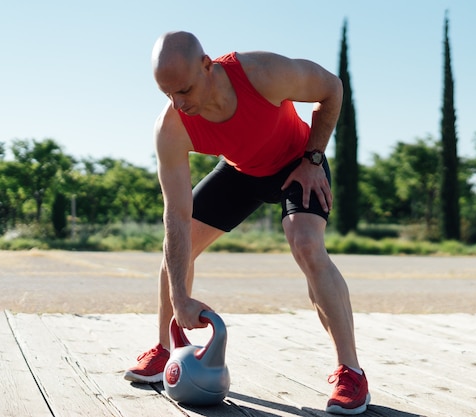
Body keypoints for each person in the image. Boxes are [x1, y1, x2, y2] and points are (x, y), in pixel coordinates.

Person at [123, 31, 370, 415]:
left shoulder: (261, 73)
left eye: (185, 90)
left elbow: (332, 89)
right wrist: (180, 299)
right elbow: (175, 214)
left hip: (297, 163)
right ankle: (163, 350)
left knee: (307, 245)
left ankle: (350, 372)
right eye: (167, 94)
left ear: (207, 65)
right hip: (241, 172)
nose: (178, 103)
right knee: (178, 247)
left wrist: (314, 159)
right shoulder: (171, 126)